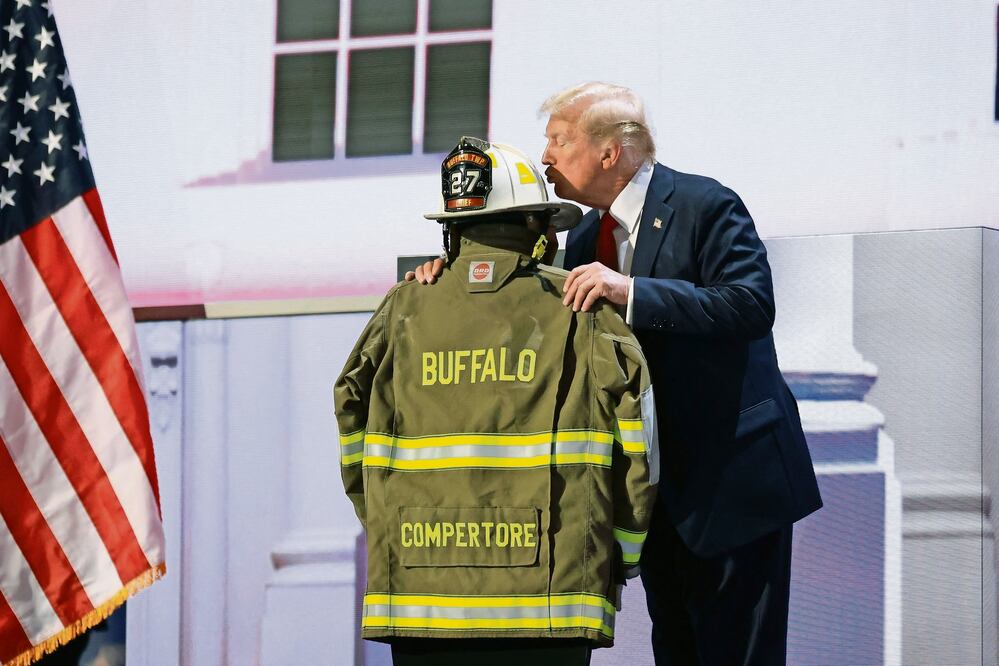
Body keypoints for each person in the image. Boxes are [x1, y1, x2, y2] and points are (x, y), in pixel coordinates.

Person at [411, 84, 823, 665]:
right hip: (652, 494)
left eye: (558, 140)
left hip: (731, 484)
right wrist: (443, 278)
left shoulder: (706, 204)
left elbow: (750, 305)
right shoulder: (580, 238)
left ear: (611, 152)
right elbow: (520, 312)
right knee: (675, 648)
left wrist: (629, 290)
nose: (546, 158)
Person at [335, 137, 659, 666]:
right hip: (552, 601)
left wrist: (387, 523)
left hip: (421, 595)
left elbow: (350, 417)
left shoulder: (402, 308)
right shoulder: (583, 309)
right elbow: (639, 446)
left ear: (452, 230)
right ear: (535, 227)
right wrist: (620, 553)